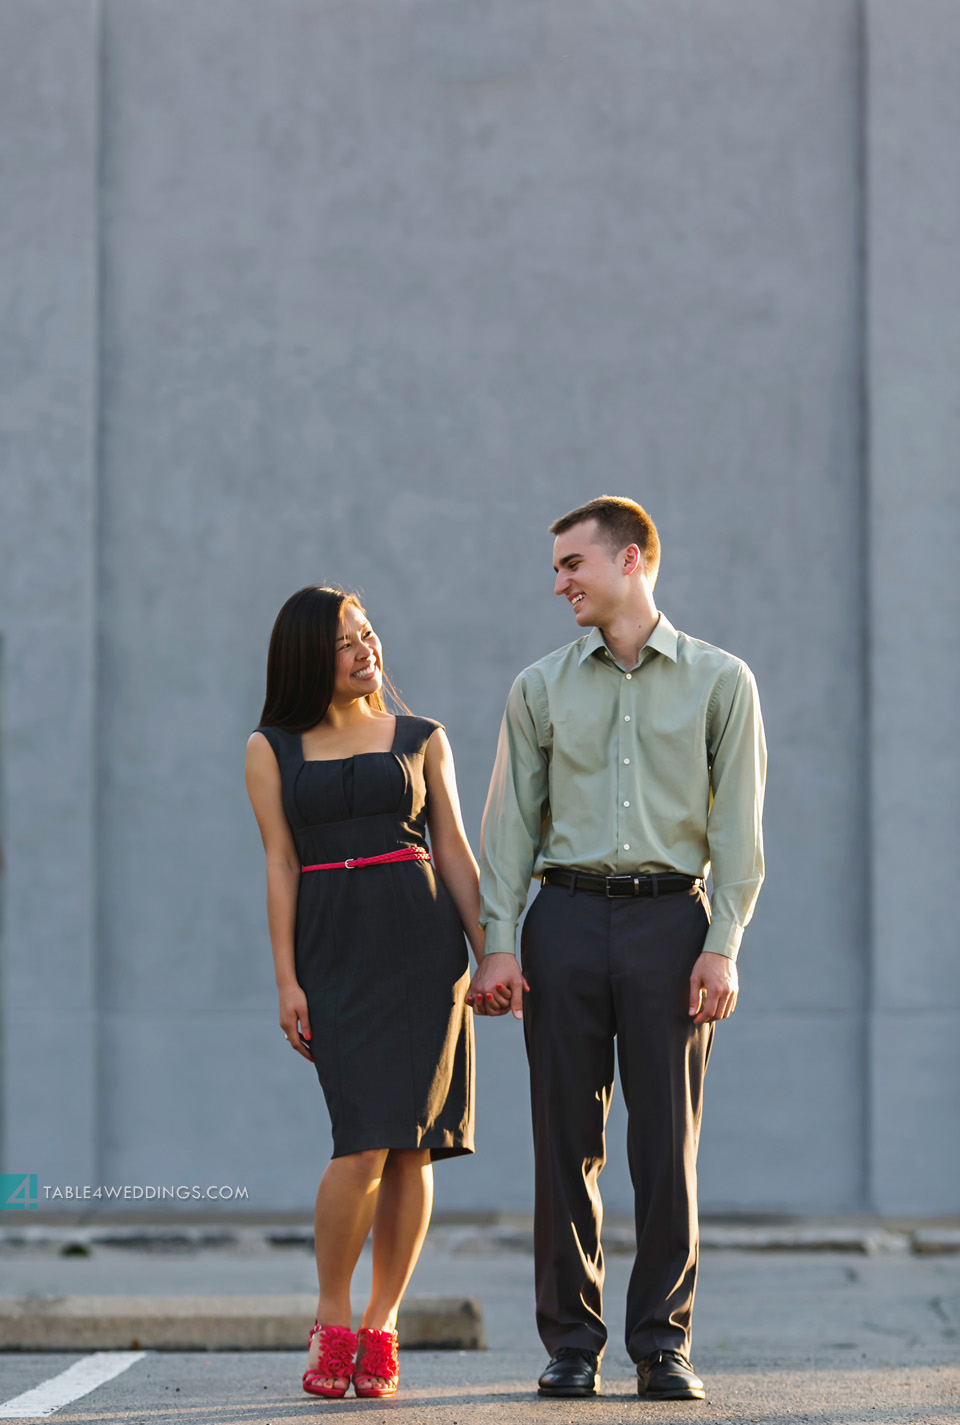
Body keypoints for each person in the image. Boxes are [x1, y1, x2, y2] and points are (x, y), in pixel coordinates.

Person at [469, 496, 766, 1401]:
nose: (558, 581)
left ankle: (662, 1345)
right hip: (561, 920)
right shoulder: (539, 687)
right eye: (557, 567)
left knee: (665, 1145)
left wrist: (723, 944)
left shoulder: (722, 681)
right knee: (565, 1140)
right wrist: (498, 943)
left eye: (571, 564)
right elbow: (510, 825)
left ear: (629, 559)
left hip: (673, 924)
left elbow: (740, 829)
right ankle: (570, 1344)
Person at [245, 585, 480, 1400]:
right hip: (334, 953)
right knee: (361, 1140)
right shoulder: (271, 748)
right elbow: (280, 863)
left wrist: (493, 956)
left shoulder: (423, 738)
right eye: (346, 641)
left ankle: (381, 1322)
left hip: (424, 948)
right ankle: (331, 1313)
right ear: (310, 655)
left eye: (369, 634)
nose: (364, 649)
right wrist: (286, 979)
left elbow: (452, 851)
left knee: (413, 1140)